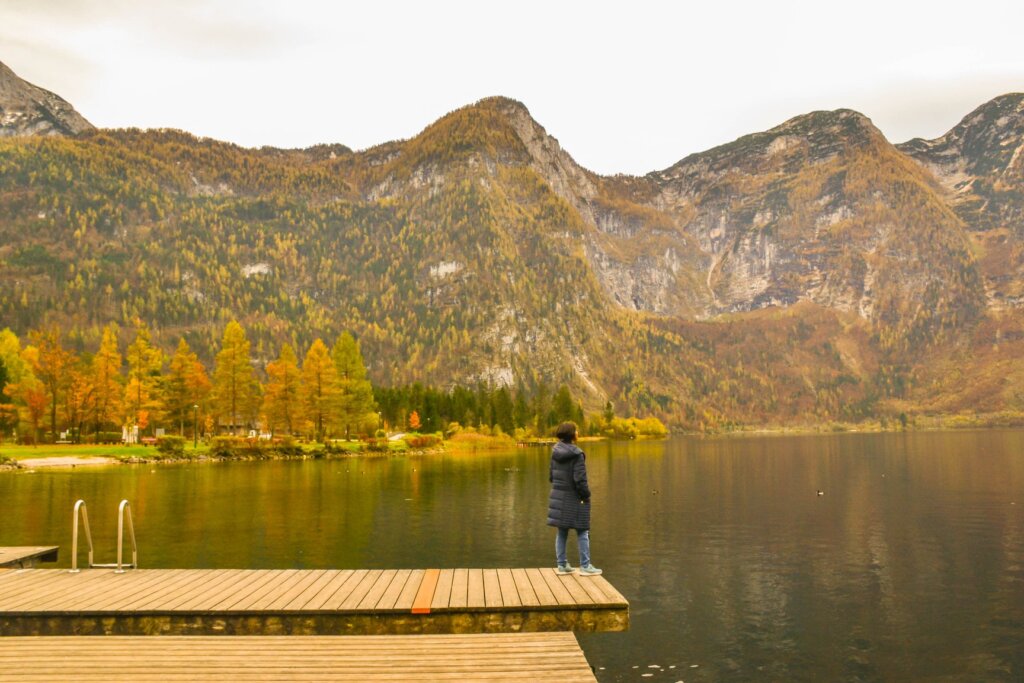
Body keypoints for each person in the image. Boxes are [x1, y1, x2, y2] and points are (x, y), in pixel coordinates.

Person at [546, 421, 602, 575]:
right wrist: (586, 495)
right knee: (582, 530)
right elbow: (580, 481)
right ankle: (585, 566)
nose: (578, 433)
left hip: (558, 495)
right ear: (571, 434)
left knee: (562, 531)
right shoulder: (577, 454)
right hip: (574, 497)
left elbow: (551, 476)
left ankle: (562, 565)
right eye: (576, 430)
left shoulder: (555, 451)